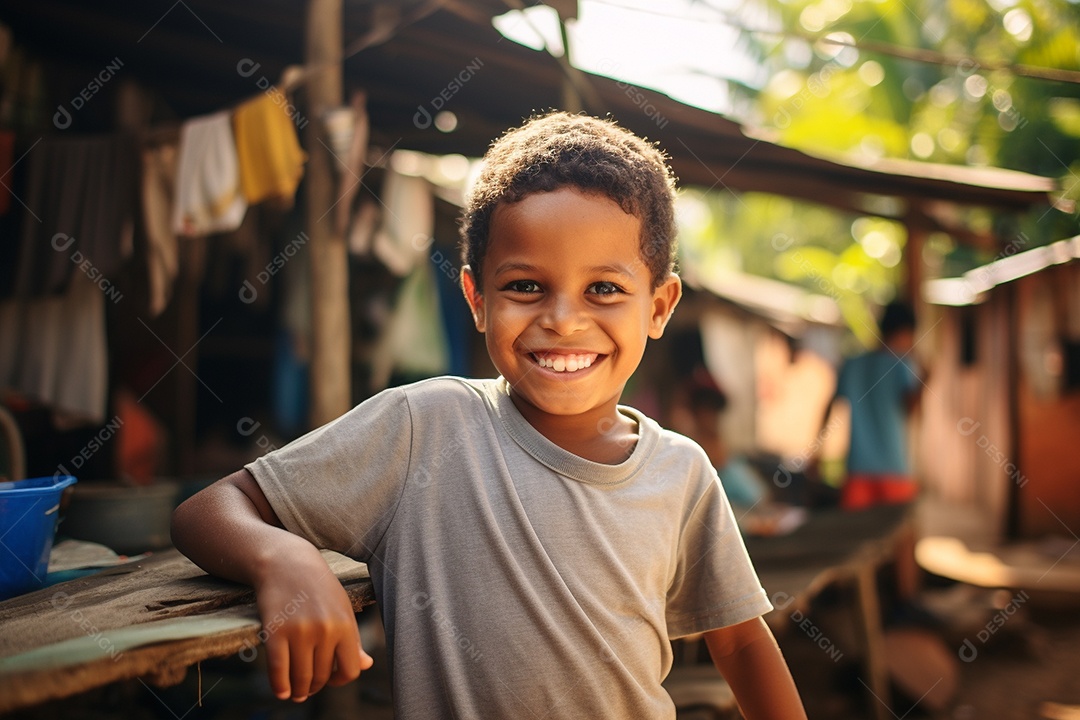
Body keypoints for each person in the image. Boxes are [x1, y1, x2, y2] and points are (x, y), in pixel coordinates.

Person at [172, 112, 807, 719]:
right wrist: (281, 559)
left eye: (605, 289)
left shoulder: (681, 472)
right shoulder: (426, 428)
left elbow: (743, 645)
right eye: (526, 286)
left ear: (660, 307)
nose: (562, 319)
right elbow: (206, 512)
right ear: (477, 298)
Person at [834, 300, 923, 510]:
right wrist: (926, 381)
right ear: (905, 332)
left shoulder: (853, 363)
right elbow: (910, 410)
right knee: (899, 533)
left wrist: (815, 455)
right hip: (894, 468)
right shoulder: (903, 364)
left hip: (858, 469)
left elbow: (831, 405)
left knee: (855, 534)